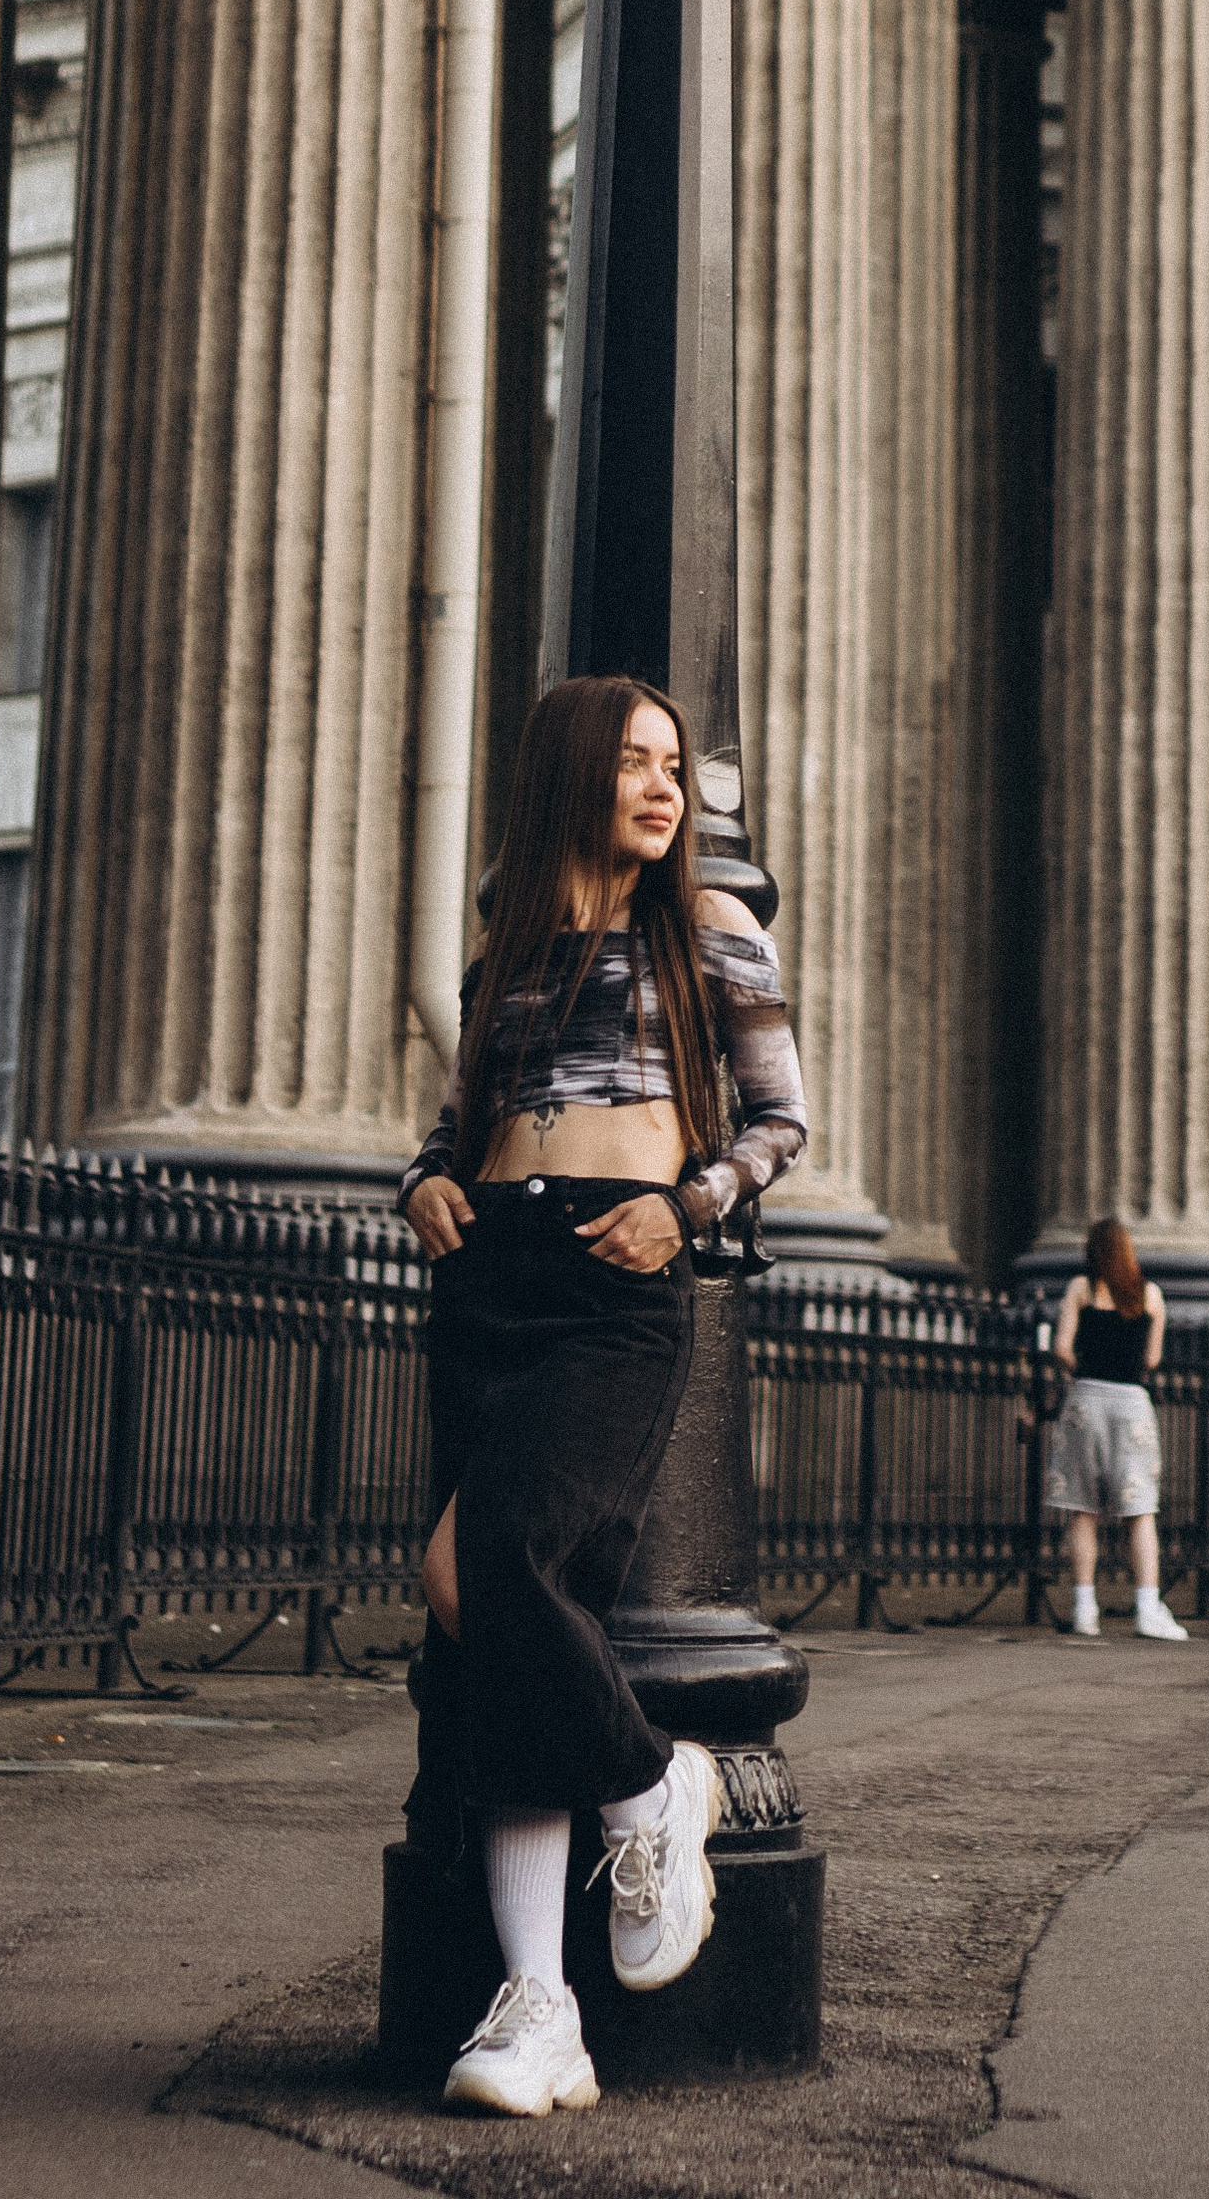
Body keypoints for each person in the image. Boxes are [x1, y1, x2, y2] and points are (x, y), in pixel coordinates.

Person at [397, 674, 811, 2115]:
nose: (661, 787)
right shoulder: (506, 947)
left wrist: (687, 1208)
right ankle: (539, 2010)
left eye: (675, 766)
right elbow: (459, 1124)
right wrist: (427, 1186)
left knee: (492, 1565)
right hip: (493, 1274)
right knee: (487, 1616)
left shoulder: (707, 928)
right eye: (633, 760)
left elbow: (781, 1121)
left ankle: (651, 1786)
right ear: (571, 771)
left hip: (614, 1282)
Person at [1045, 1217, 1189, 1642]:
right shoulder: (1150, 1295)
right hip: (1131, 1406)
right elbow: (1152, 1359)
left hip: (1085, 1402)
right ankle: (1147, 1607)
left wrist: (1084, 1367)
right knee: (1140, 1510)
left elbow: (1061, 1348)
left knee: (1082, 1508)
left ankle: (1085, 1608)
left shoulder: (1081, 1289)